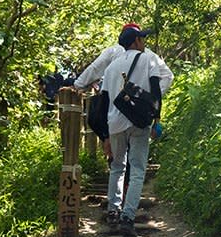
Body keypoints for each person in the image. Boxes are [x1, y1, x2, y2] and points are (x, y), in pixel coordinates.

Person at [99, 25, 172, 236]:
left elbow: (104, 102)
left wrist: (105, 135)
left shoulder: (111, 68)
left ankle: (113, 210)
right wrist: (157, 118)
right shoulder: (147, 59)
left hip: (114, 124)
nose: (144, 41)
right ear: (135, 42)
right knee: (138, 169)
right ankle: (128, 217)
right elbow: (156, 90)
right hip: (139, 123)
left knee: (117, 166)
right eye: (142, 38)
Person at [72, 23, 173, 160]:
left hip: (115, 113)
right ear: (137, 39)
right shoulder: (149, 56)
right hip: (139, 113)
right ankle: (130, 180)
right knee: (136, 159)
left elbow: (95, 69)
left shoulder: (113, 52)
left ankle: (119, 176)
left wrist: (78, 85)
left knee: (117, 163)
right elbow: (168, 76)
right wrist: (149, 99)